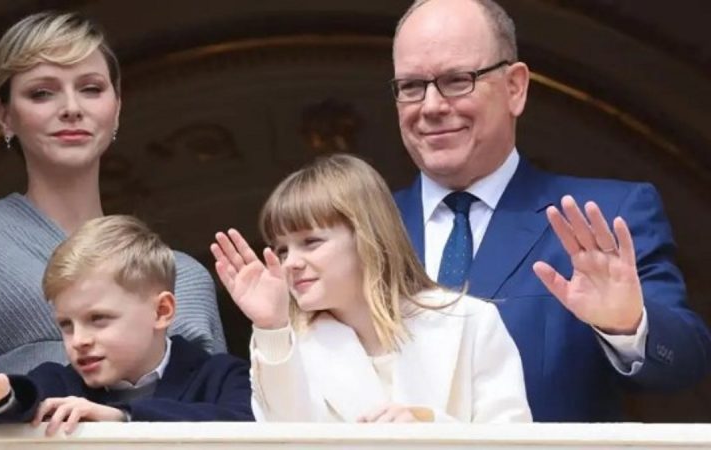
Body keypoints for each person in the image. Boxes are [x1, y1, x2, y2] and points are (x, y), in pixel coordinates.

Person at [391, 0, 711, 421]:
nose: (430, 106)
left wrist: (628, 324)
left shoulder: (602, 218)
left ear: (515, 88)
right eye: (412, 85)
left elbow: (686, 363)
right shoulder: (355, 231)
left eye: (457, 80)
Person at [0, 11, 225, 421]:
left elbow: (222, 424)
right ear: (3, 114)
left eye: (91, 89)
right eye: (42, 93)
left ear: (116, 107)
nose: (72, 108)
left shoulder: (186, 278)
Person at [211, 154, 531, 423]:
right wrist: (271, 327)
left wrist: (430, 428)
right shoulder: (283, 346)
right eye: (282, 250)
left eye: (311, 242)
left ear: (368, 237)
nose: (290, 262)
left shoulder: (472, 321)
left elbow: (514, 441)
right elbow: (287, 435)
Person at [0, 215, 253, 435]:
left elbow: (245, 426)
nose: (79, 340)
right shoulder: (58, 380)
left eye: (99, 319)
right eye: (66, 324)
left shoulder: (223, 375)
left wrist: (123, 418)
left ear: (162, 311)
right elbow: (18, 408)